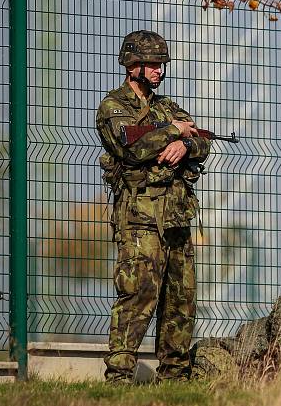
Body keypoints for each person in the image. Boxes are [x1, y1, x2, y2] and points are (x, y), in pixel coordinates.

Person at [96, 30, 211, 384]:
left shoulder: (167, 107)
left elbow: (203, 143)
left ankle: (175, 377)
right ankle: (119, 375)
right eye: (153, 64)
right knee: (138, 293)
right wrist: (173, 132)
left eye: (162, 64)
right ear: (133, 65)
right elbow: (133, 147)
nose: (160, 70)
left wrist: (185, 147)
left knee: (181, 297)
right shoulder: (113, 107)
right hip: (139, 217)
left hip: (176, 216)